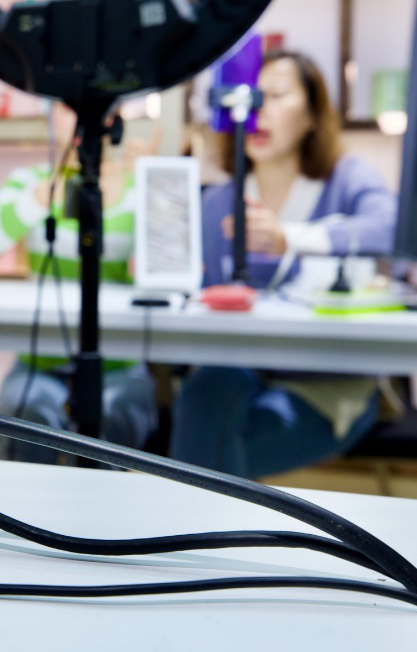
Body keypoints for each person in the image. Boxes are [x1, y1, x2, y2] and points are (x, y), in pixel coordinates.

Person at [170, 50, 398, 479]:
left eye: (275, 96)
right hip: (239, 371)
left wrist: (289, 239)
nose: (258, 110)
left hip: (326, 383)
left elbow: (390, 230)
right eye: (250, 98)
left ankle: (191, 513)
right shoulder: (218, 203)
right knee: (203, 393)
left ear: (312, 115)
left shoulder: (346, 179)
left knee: (208, 453)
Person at [0, 108, 158, 462]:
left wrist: (155, 185)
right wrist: (42, 195)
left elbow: (167, 271)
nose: (81, 116)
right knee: (27, 417)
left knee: (111, 424)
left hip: (119, 364)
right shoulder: (29, 180)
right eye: (68, 107)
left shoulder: (138, 181)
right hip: (38, 363)